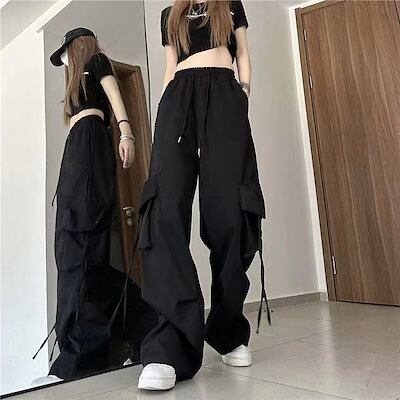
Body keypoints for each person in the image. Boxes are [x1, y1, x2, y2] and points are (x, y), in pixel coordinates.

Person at [136, 1, 269, 391]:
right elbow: (169, 69)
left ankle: (228, 330)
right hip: (177, 99)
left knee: (230, 210)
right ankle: (169, 345)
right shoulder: (169, 14)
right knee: (162, 210)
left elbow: (243, 55)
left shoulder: (228, 4)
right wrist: (162, 119)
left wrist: (242, 97)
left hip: (225, 94)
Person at [33, 27, 135, 385]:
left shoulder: (97, 60)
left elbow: (115, 95)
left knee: (83, 251)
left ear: (77, 46)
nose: (64, 61)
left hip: (92, 141)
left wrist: (126, 132)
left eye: (65, 52)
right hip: (78, 146)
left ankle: (78, 359)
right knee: (75, 252)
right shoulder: (76, 82)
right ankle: (145, 324)